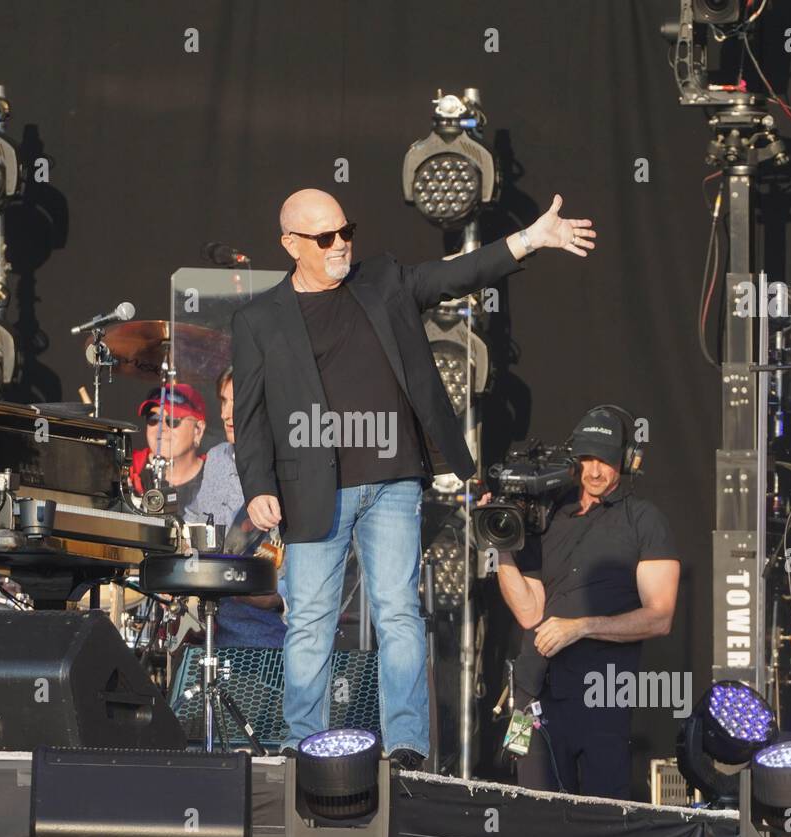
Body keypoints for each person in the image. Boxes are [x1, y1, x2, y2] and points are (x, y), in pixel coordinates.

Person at [231, 186, 597, 768]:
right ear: (291, 244)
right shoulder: (258, 319)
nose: (341, 245)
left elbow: (458, 274)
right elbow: (248, 419)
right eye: (325, 237)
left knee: (398, 611)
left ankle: (405, 745)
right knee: (308, 619)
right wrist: (258, 486)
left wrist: (531, 239)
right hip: (310, 486)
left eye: (346, 230)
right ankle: (303, 744)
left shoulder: (383, 281)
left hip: (394, 480)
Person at [491, 407, 680, 798]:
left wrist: (582, 627)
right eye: (587, 459)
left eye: (605, 461)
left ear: (626, 461)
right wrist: (502, 546)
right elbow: (529, 611)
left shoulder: (644, 520)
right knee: (535, 814)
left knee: (600, 819)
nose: (594, 471)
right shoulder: (545, 516)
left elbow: (660, 617)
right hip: (532, 694)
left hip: (602, 695)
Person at [190, 367, 288, 647]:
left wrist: (279, 597)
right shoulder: (218, 458)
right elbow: (199, 528)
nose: (225, 414)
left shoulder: (291, 468)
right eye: (223, 401)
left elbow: (326, 565)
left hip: (271, 634)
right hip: (211, 627)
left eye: (237, 402)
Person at [128, 382, 209, 520]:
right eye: (153, 419)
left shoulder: (217, 475)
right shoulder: (128, 468)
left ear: (198, 430)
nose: (161, 428)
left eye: (172, 420)